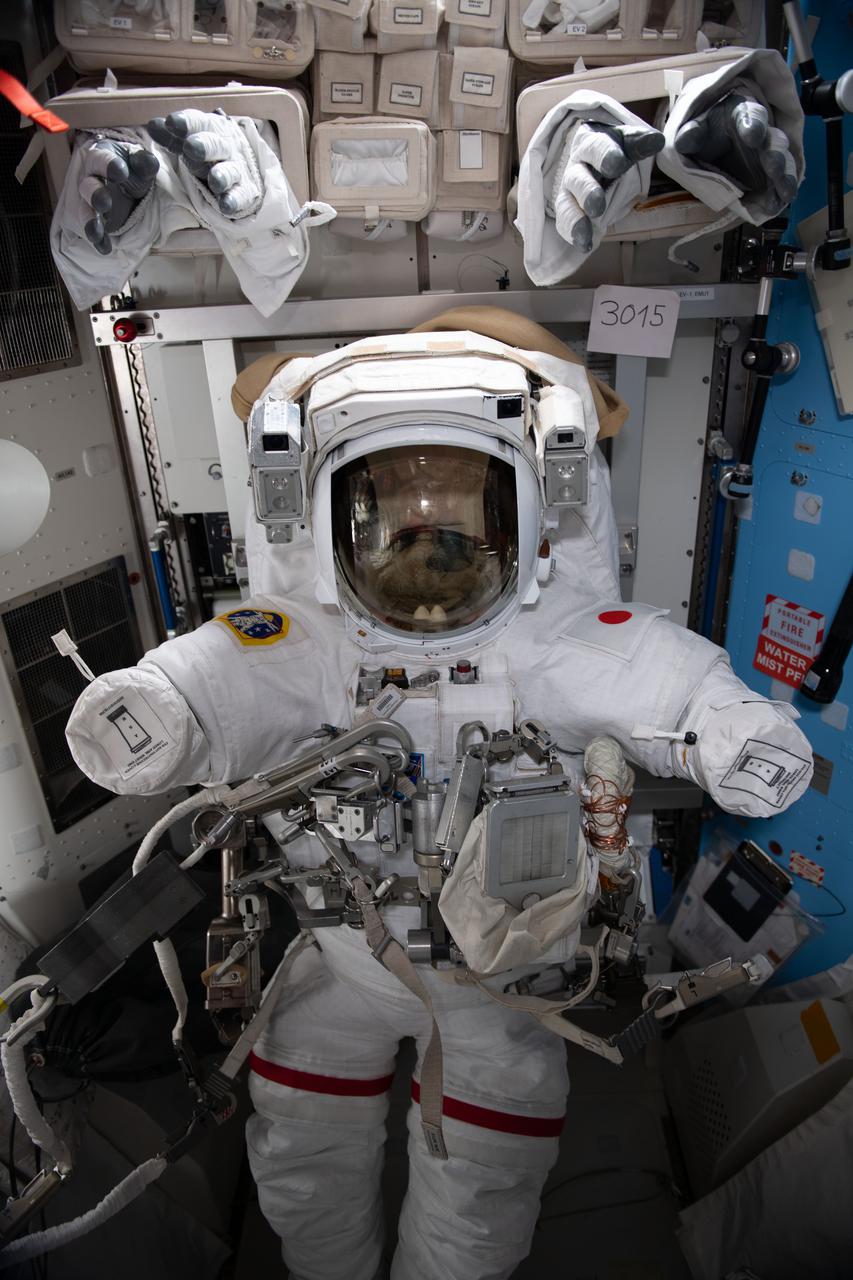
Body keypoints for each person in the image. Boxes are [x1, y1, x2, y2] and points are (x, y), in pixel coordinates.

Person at [65, 310, 813, 1280]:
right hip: (341, 954)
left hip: (500, 974)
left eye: (455, 490)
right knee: (300, 1153)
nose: (424, 517)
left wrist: (737, 733)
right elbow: (216, 675)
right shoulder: (303, 635)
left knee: (483, 1189)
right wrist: (155, 710)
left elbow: (673, 685)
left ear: (527, 506)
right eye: (394, 492)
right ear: (335, 504)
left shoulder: (566, 634)